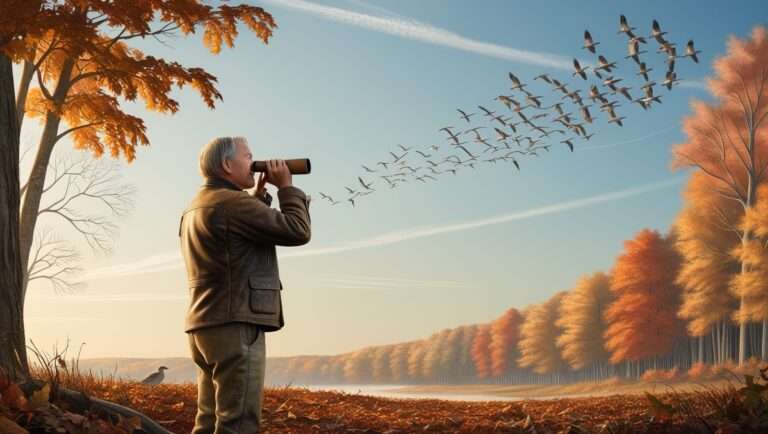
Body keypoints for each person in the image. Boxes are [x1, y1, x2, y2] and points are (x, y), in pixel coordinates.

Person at [179, 136, 311, 433]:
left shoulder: (197, 205)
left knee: (209, 420)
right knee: (238, 422)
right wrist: (287, 188)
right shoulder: (232, 203)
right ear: (227, 164)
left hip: (204, 324)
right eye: (248, 156)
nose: (254, 161)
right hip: (235, 325)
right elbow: (297, 231)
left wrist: (258, 198)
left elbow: (234, 240)